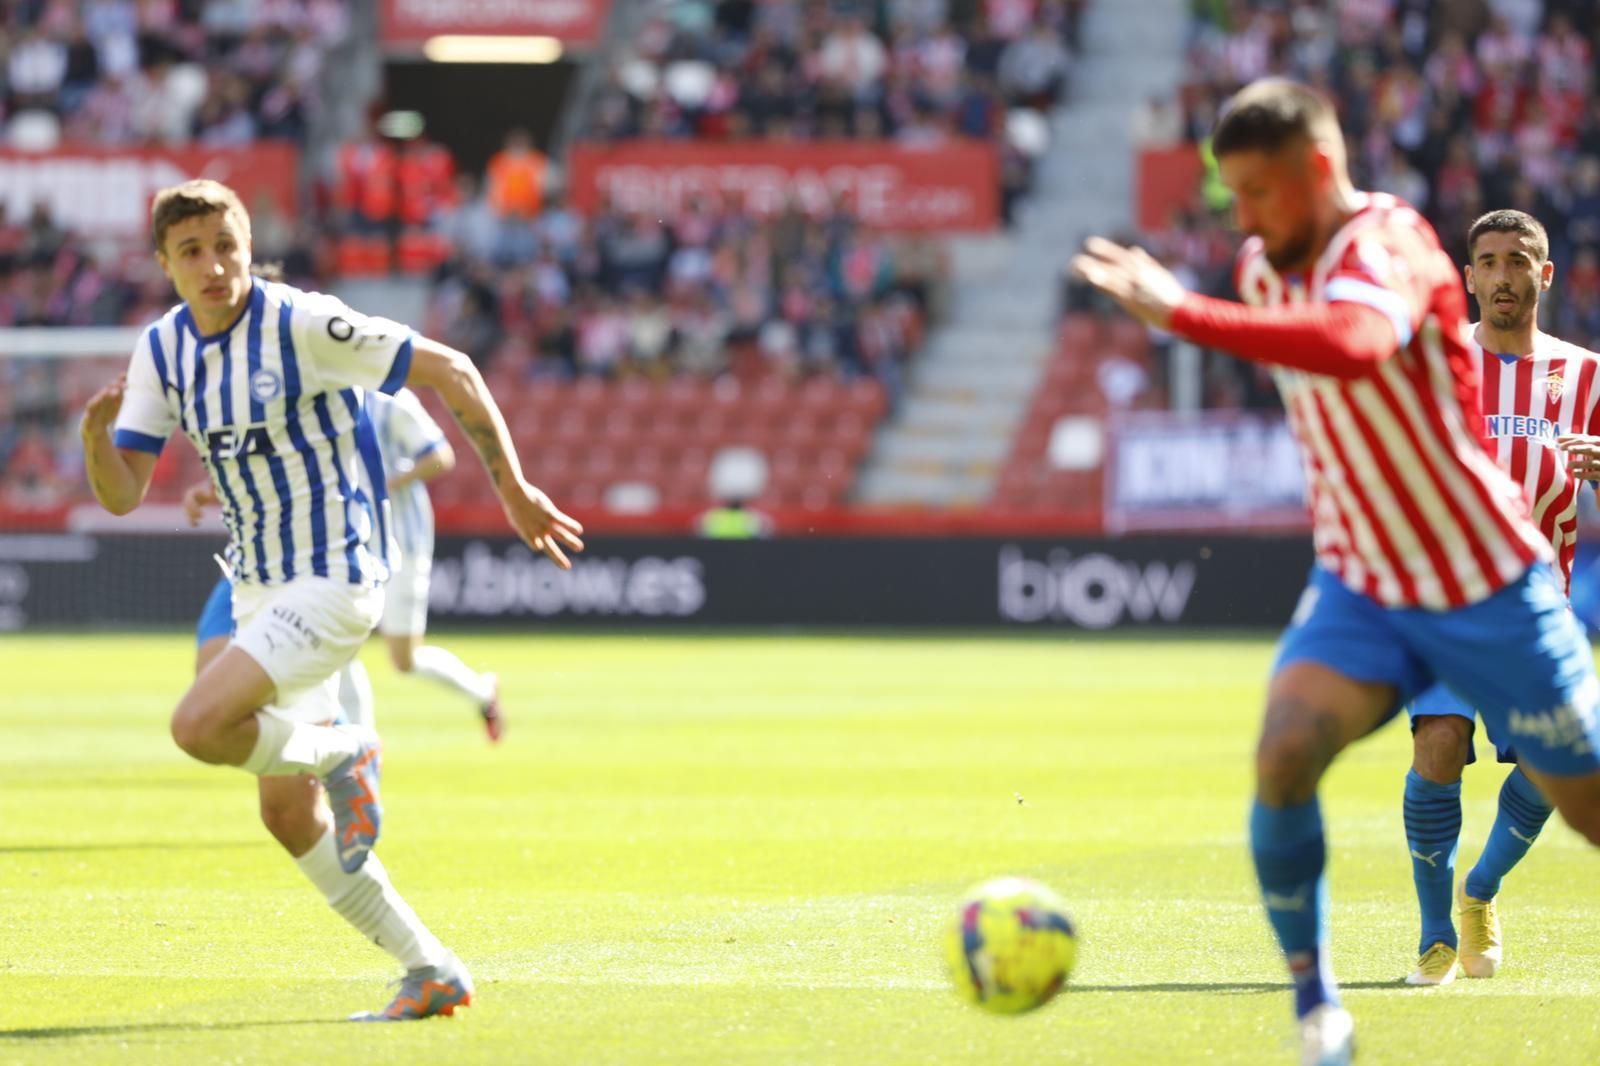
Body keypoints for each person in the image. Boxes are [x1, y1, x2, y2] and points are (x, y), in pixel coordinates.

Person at [1070, 79, 1600, 1066]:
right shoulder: (1262, 266)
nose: (1249, 217)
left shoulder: (1389, 243)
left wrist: (1184, 312)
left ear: (1319, 170)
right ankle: (1321, 1014)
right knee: (1282, 753)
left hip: (1481, 574)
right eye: (1235, 197)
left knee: (1587, 805)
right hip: (1361, 579)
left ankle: (1474, 898)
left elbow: (1357, 342)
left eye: (1263, 192)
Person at [79, 179, 584, 1020]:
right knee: (285, 812)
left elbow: (452, 368)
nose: (213, 265)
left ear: (248, 245)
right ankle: (429, 968)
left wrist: (515, 489)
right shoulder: (160, 353)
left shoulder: (303, 324)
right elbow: (123, 492)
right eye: (191, 251)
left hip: (338, 573)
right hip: (258, 585)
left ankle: (345, 748)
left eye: (225, 244)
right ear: (164, 265)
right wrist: (96, 439)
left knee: (197, 725)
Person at [1400, 209, 1600, 986]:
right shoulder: (1436, 366)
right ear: (1470, 275)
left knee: (1558, 770)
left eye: (1519, 261)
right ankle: (1434, 933)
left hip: (1538, 608)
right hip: (1446, 599)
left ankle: (1479, 890)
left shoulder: (1585, 375)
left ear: (1544, 275)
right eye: (1488, 262)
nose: (1503, 276)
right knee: (1438, 745)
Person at [366, 387, 503, 740]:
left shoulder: (392, 401)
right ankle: (351, 741)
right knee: (335, 641)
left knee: (404, 659)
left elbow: (440, 455)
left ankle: (482, 691)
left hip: (402, 539)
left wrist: (389, 481)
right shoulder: (326, 392)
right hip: (353, 541)